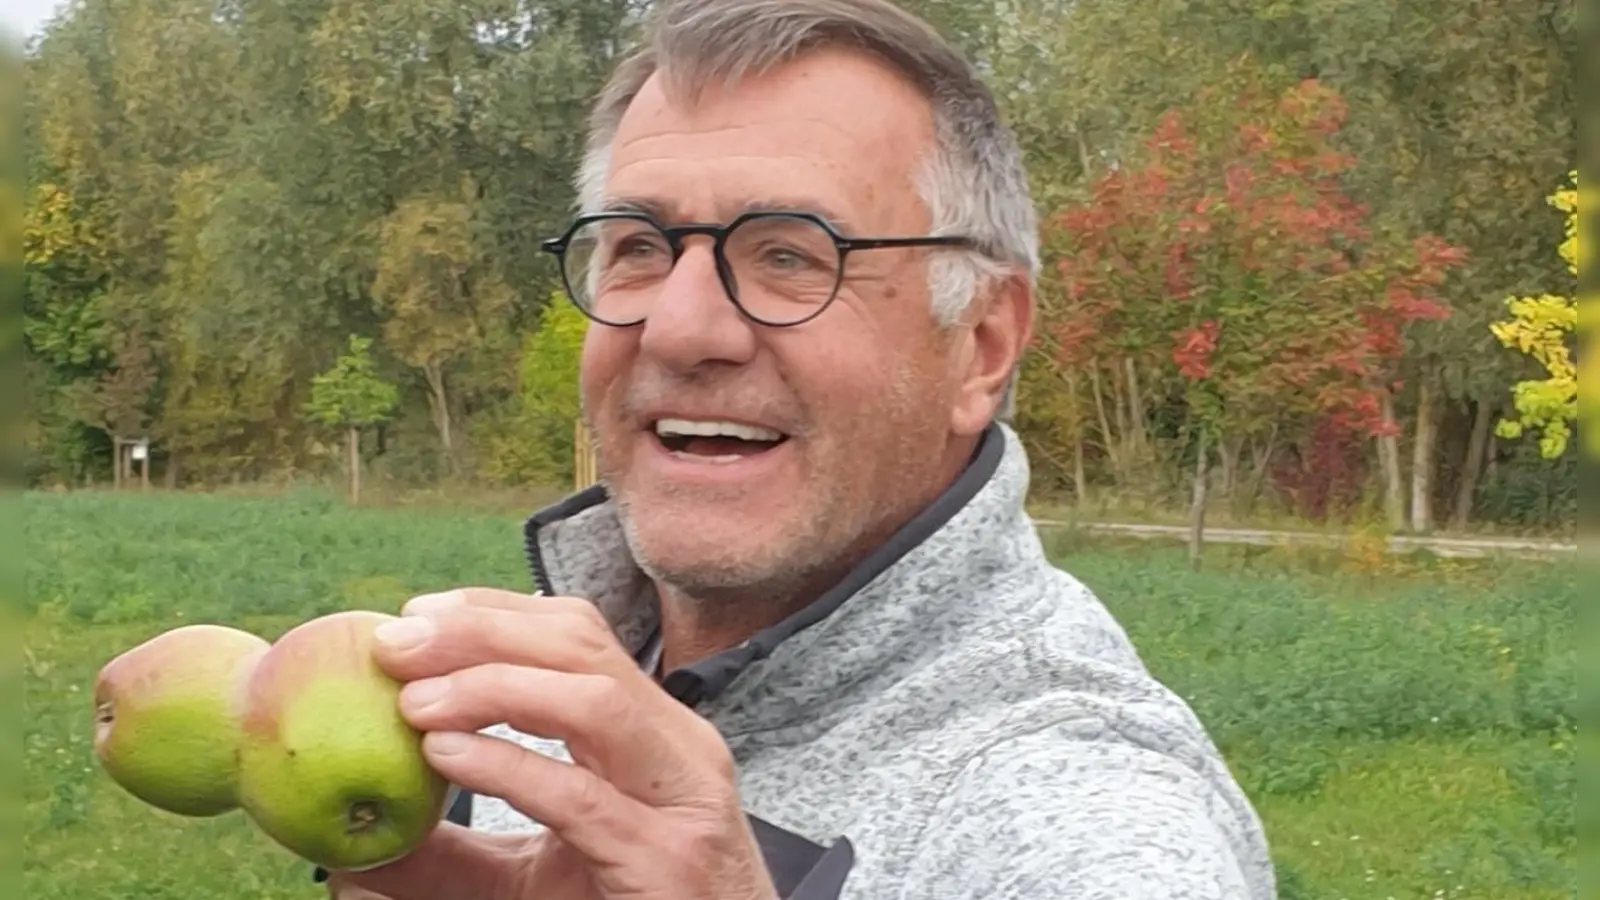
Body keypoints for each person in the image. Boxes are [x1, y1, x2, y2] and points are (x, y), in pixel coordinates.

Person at [325, 0, 1278, 897]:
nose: (679, 328)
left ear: (981, 346)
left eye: (790, 255)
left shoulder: (1083, 826)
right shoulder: (527, 685)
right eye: (639, 248)